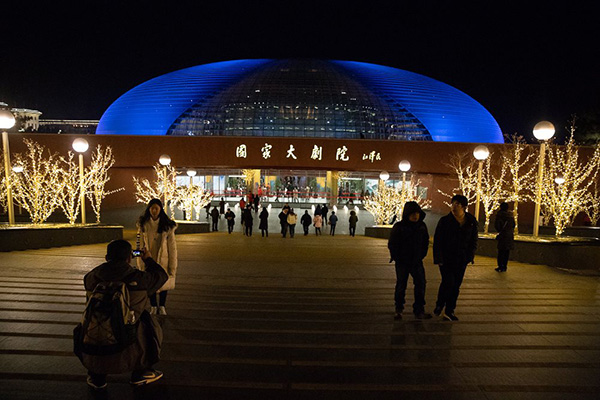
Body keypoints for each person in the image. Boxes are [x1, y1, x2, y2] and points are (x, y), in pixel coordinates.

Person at [77, 240, 168, 390]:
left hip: (93, 339)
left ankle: (96, 376)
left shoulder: (91, 277)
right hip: (130, 341)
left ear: (106, 257)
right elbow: (161, 276)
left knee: (91, 320)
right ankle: (141, 372)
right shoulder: (140, 279)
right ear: (129, 258)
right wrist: (148, 259)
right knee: (146, 320)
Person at [433, 194, 478, 321]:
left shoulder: (471, 222)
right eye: (453, 203)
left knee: (456, 285)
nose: (454, 206)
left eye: (457, 204)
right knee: (448, 282)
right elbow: (438, 241)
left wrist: (470, 255)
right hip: (446, 259)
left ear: (464, 207)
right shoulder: (445, 221)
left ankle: (449, 310)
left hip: (462, 259)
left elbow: (473, 240)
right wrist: (438, 258)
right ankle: (440, 304)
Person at [388, 202, 432, 320]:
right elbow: (392, 243)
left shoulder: (422, 226)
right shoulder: (399, 227)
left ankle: (419, 310)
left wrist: (422, 255)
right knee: (401, 285)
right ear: (407, 214)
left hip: (417, 261)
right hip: (402, 262)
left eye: (417, 213)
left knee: (421, 284)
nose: (415, 216)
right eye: (412, 213)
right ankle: (399, 309)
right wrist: (396, 257)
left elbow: (425, 242)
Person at [136, 199, 178, 316]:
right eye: (152, 208)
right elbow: (139, 245)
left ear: (160, 210)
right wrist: (138, 258)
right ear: (149, 209)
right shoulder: (143, 225)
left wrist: (173, 264)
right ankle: (153, 306)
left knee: (164, 282)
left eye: (156, 208)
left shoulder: (167, 226)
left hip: (163, 259)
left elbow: (172, 248)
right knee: (150, 283)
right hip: (148, 259)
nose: (154, 211)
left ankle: (162, 306)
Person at [494, 202, 515, 272]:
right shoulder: (511, 216)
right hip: (509, 236)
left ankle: (500, 266)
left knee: (501, 252)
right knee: (506, 252)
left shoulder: (500, 215)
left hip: (503, 235)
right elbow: (513, 225)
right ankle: (504, 266)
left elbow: (497, 226)